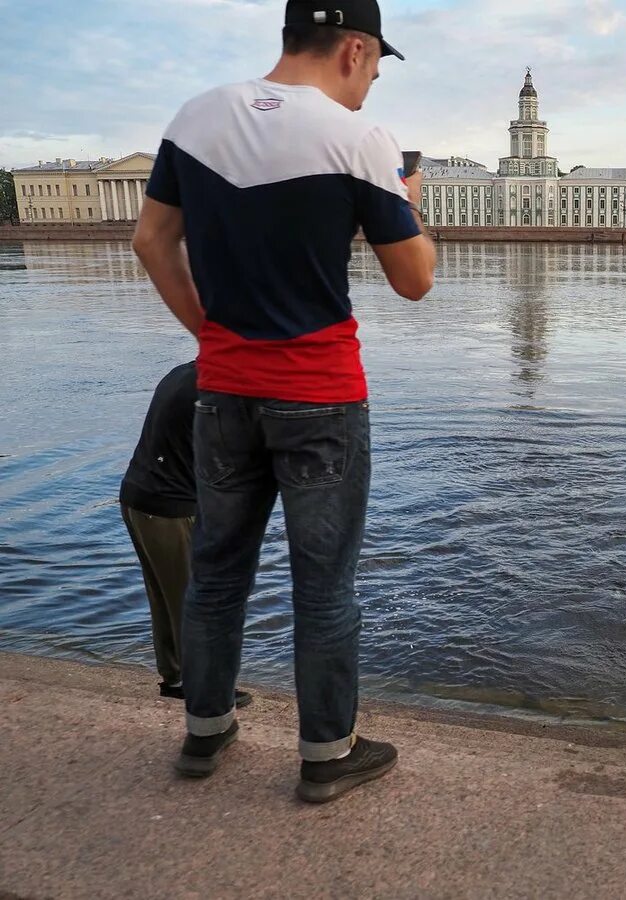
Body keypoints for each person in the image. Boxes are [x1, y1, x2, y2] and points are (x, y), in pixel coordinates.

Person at [133, 0, 437, 803]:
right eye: (374, 65)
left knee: (217, 571)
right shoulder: (356, 138)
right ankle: (326, 756)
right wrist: (405, 199)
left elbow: (151, 243)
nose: (371, 80)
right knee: (325, 585)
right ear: (352, 48)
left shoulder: (195, 118)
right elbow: (415, 280)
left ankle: (204, 734)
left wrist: (213, 338)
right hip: (320, 396)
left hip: (224, 392)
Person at [120, 361, 251, 708]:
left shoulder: (183, 373)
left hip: (138, 497)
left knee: (165, 598)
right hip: (167, 508)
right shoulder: (219, 387)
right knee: (194, 602)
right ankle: (206, 690)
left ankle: (176, 678)